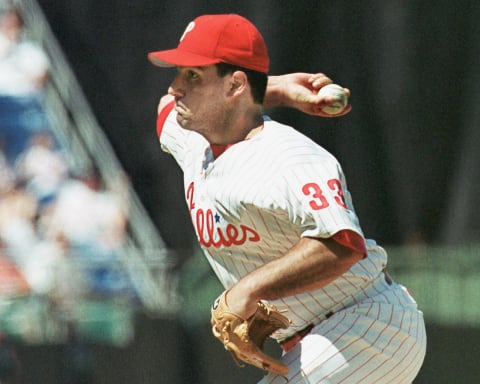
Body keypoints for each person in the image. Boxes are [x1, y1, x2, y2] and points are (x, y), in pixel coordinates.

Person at [149, 14, 426, 383]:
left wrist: (248, 288)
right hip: (317, 338)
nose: (177, 88)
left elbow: (342, 245)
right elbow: (163, 107)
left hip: (365, 324)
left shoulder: (290, 156)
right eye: (180, 74)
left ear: (234, 84)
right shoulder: (192, 141)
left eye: (193, 76)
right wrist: (276, 88)